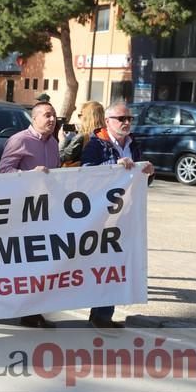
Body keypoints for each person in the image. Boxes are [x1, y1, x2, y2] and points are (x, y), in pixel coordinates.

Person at [81, 101, 154, 329]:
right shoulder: (96, 144)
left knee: (116, 266)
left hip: (126, 215)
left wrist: (149, 174)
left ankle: (104, 316)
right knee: (99, 265)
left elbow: (141, 180)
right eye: (121, 119)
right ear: (107, 121)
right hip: (101, 216)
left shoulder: (134, 144)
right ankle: (95, 310)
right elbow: (86, 171)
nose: (126, 123)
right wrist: (115, 165)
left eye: (129, 119)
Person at [0, 101, 59, 329]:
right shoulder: (20, 140)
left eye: (53, 115)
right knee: (26, 263)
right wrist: (29, 175)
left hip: (45, 211)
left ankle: (36, 310)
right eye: (46, 115)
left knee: (42, 262)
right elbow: (4, 172)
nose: (52, 119)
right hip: (22, 211)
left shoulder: (53, 143)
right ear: (34, 118)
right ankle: (26, 312)